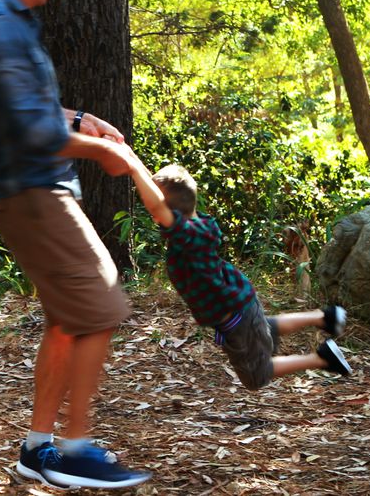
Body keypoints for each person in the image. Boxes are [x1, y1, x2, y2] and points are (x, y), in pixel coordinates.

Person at [0, 0, 153, 490]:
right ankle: (73, 450)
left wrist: (81, 120)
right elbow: (30, 130)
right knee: (100, 301)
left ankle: (37, 446)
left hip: (32, 189)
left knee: (68, 320)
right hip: (32, 191)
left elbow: (29, 107)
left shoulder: (12, 21)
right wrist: (101, 152)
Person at [128, 162, 353, 390]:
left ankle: (322, 358)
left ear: (167, 214)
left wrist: (132, 167)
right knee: (265, 327)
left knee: (257, 375)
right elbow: (158, 198)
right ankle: (325, 317)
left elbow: (157, 206)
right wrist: (127, 154)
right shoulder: (200, 224)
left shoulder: (186, 237)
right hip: (242, 301)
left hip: (233, 317)